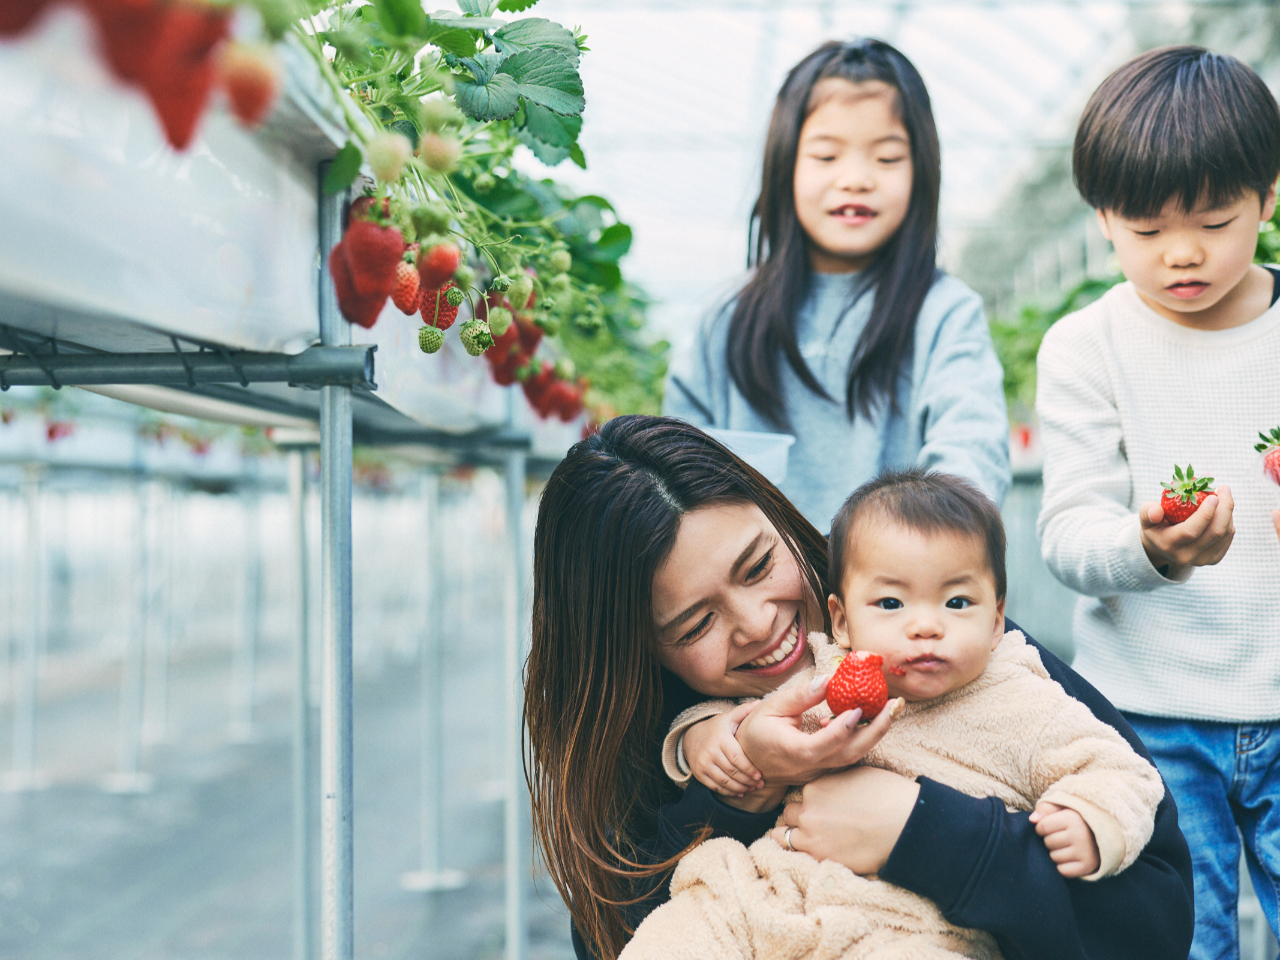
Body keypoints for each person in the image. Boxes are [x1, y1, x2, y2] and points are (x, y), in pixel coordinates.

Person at [526, 414, 1193, 960]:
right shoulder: (660, 741)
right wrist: (742, 787)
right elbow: (623, 933)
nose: (759, 624)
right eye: (697, 622)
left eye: (759, 564)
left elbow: (1153, 921)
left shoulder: (946, 646)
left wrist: (921, 831)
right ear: (637, 653)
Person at [1035, 45, 1280, 960]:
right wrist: (1152, 551)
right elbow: (1066, 532)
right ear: (1103, 219)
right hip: (1150, 719)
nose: (1182, 253)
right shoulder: (1084, 348)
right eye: (1144, 230)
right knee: (1185, 943)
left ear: (1267, 196)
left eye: (1216, 221)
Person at [663, 38, 1009, 531]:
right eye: (826, 157)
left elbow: (973, 457)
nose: (855, 179)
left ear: (921, 172)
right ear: (785, 168)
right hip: (757, 596)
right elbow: (676, 479)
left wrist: (891, 570)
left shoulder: (944, 313)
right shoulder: (724, 320)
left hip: (899, 592)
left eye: (887, 159)